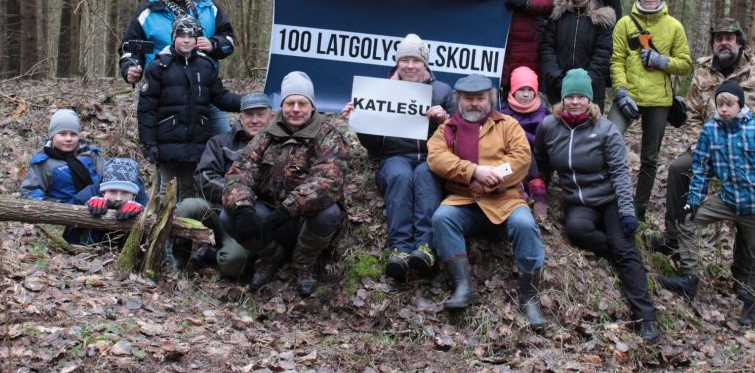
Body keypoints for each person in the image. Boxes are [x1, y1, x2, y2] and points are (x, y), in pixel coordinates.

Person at [649, 17, 755, 301]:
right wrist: (702, 147)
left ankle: (744, 277)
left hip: (750, 154)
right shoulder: (703, 70)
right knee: (678, 169)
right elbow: (691, 114)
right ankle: (674, 237)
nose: (724, 42)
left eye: (730, 37)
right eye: (719, 38)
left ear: (740, 42)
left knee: (751, 209)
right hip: (709, 147)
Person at [533, 69, 660, 344]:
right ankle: (623, 256)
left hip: (610, 199)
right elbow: (541, 164)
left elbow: (621, 175)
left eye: (581, 96)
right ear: (562, 99)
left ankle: (646, 318)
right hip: (579, 200)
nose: (575, 102)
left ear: (590, 100)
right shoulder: (549, 127)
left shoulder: (606, 130)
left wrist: (628, 212)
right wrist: (538, 193)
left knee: (625, 247)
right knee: (577, 230)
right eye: (570, 96)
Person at [658, 81, 755, 327]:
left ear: (740, 105)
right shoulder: (710, 131)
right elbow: (701, 169)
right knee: (686, 222)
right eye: (720, 104)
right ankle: (689, 277)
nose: (724, 109)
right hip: (728, 200)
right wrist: (694, 201)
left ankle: (750, 305)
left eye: (729, 104)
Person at [428, 74, 547, 330]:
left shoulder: (509, 125)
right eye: (468, 99)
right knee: (441, 218)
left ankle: (530, 296)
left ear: (489, 99)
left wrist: (491, 177)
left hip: (505, 199)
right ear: (459, 100)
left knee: (525, 225)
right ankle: (463, 287)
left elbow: (521, 160)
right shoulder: (447, 128)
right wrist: (472, 171)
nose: (474, 104)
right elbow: (436, 158)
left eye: (480, 98)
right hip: (464, 199)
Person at [342, 34, 456, 284]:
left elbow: (459, 136)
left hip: (431, 156)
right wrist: (360, 121)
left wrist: (444, 120)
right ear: (397, 63)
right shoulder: (381, 91)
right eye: (404, 60)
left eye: (415, 60)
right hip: (395, 156)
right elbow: (373, 146)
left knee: (425, 176)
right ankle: (400, 249)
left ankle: (426, 248)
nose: (410, 66)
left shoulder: (443, 91)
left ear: (425, 63)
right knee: (400, 176)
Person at [221, 72, 347, 295]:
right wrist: (242, 207)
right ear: (282, 106)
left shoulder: (328, 135)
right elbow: (239, 171)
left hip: (303, 219)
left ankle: (304, 263)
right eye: (290, 103)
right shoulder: (266, 136)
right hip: (268, 214)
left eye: (302, 103)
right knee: (228, 216)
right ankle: (271, 257)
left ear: (312, 106)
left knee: (329, 214)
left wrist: (287, 210)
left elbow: (328, 181)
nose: (295, 109)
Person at [119, 0, 236, 135]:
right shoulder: (147, 12)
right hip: (166, 96)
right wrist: (130, 68)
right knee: (172, 153)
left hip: (207, 92)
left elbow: (229, 40)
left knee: (224, 149)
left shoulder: (207, 6)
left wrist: (214, 44)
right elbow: (130, 48)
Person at [609, 0, 692, 221]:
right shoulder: (624, 24)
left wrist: (661, 60)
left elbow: (685, 63)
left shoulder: (674, 26)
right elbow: (617, 61)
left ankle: (639, 209)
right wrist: (621, 92)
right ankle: (609, 199)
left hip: (659, 101)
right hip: (629, 95)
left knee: (649, 158)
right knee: (607, 139)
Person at [137, 16, 242, 201]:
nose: (186, 40)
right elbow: (147, 109)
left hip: (197, 139)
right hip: (167, 140)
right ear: (173, 37)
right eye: (181, 35)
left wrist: (246, 102)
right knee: (166, 191)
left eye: (191, 36)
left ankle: (186, 228)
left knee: (190, 189)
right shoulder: (159, 66)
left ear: (197, 39)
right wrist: (149, 143)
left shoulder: (206, 65)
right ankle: (160, 227)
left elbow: (220, 96)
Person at [169, 92, 273, 278]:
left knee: (233, 265)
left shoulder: (277, 145)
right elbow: (203, 177)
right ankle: (178, 262)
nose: (255, 120)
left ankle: (211, 254)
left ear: (270, 115)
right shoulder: (220, 142)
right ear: (240, 116)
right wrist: (239, 192)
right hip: (216, 211)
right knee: (187, 207)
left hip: (247, 223)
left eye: (260, 114)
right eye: (249, 114)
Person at [539, 0, 616, 109]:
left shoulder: (600, 20)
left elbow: (603, 54)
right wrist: (557, 77)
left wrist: (586, 81)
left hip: (590, 89)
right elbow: (547, 47)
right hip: (558, 87)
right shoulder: (557, 16)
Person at [498, 66, 551, 220]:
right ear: (513, 90)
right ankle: (523, 193)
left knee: (524, 147)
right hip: (509, 166)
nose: (526, 94)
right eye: (521, 90)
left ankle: (537, 197)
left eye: (530, 89)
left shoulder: (544, 114)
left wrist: (519, 132)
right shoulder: (502, 110)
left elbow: (543, 145)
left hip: (537, 169)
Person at [21, 109, 104, 203]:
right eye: (62, 134)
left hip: (99, 208)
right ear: (52, 136)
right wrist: (55, 206)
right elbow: (29, 192)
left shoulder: (91, 155)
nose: (68, 139)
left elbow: (109, 180)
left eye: (73, 134)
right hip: (64, 213)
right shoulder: (43, 162)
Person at [71, 156, 149, 245]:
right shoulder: (85, 196)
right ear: (103, 192)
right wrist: (86, 211)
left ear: (134, 194)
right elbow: (69, 238)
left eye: (125, 192)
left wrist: (140, 213)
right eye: (112, 191)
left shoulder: (142, 198)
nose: (118, 198)